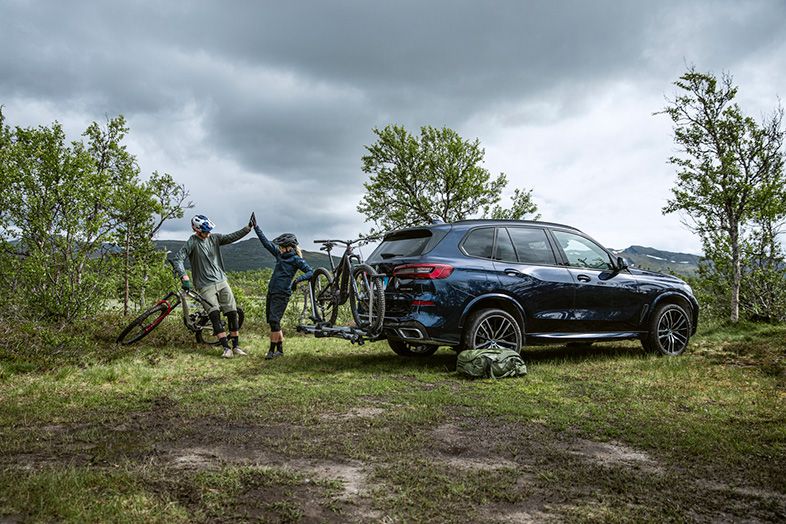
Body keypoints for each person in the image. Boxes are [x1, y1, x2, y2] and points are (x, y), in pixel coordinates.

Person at [173, 213, 253, 358]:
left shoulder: (215, 238)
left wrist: (247, 228)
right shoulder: (192, 242)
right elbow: (178, 258)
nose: (208, 233)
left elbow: (231, 237)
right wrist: (183, 276)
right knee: (214, 314)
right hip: (205, 285)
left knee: (232, 313)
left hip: (222, 281)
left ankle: (236, 347)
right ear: (196, 230)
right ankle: (226, 349)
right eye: (205, 231)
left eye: (209, 230)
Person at [253, 220, 314, 359]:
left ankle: (271, 351)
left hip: (282, 294)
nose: (279, 248)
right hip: (272, 291)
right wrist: (256, 228)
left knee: (274, 321)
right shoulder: (280, 256)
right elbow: (266, 244)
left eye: (282, 246)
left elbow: (311, 272)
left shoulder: (296, 260)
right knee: (273, 321)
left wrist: (297, 280)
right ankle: (280, 350)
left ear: (289, 247)